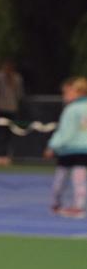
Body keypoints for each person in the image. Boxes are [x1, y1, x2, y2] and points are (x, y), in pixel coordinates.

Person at [44, 76, 87, 218]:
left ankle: (55, 203)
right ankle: (79, 206)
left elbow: (65, 132)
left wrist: (52, 146)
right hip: (84, 151)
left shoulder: (71, 109)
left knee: (60, 179)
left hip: (69, 151)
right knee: (80, 181)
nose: (64, 96)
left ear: (79, 92)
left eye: (67, 92)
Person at [0, 58, 25, 163]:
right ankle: (5, 156)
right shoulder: (17, 77)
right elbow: (20, 95)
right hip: (12, 109)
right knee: (8, 134)